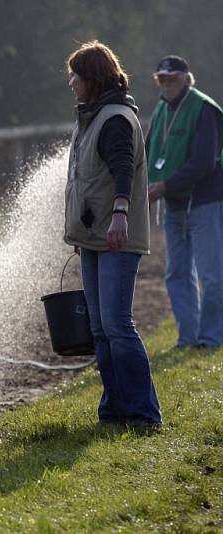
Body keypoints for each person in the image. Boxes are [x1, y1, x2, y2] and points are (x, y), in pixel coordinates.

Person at [64, 41, 161, 429]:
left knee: (117, 324)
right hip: (95, 235)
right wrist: (81, 229)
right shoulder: (93, 116)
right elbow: (87, 179)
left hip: (117, 235)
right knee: (100, 327)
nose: (71, 82)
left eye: (75, 74)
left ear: (93, 77)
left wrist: (120, 213)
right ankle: (114, 409)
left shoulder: (115, 118)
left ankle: (143, 414)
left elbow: (122, 171)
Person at [146, 55, 223, 349]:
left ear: (186, 79)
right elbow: (148, 149)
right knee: (177, 274)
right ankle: (187, 338)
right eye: (161, 78)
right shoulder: (161, 110)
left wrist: (165, 185)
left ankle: (212, 338)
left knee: (212, 275)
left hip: (205, 200)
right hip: (174, 203)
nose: (166, 83)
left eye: (172, 78)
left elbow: (204, 161)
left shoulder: (204, 108)